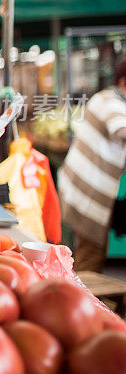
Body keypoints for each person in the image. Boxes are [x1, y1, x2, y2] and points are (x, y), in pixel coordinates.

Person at [58, 58, 126, 272]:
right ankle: (85, 301)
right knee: (91, 254)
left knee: (90, 251)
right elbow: (121, 129)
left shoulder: (111, 99)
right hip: (87, 194)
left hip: (85, 190)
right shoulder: (110, 101)